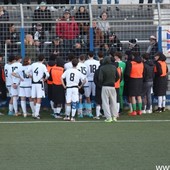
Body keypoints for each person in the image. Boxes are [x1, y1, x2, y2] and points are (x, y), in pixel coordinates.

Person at [25, 54, 49, 119]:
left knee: (34, 98)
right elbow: (47, 75)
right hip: (39, 83)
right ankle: (36, 114)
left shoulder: (33, 64)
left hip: (33, 83)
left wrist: (31, 76)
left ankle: (35, 113)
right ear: (43, 59)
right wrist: (44, 79)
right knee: (39, 98)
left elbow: (26, 72)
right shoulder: (43, 66)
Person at [99, 56, 119, 122]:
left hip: (105, 86)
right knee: (113, 102)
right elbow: (118, 77)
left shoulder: (102, 68)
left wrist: (102, 82)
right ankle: (114, 117)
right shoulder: (114, 67)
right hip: (112, 86)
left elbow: (100, 78)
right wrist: (113, 81)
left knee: (105, 102)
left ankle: (108, 117)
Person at [125, 52, 144, 116]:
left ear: (133, 56)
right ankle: (140, 111)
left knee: (133, 96)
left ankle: (134, 111)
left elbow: (127, 73)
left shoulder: (131, 63)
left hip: (133, 80)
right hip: (140, 79)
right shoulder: (141, 63)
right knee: (139, 96)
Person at [84, 51, 100, 117]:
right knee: (96, 96)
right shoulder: (97, 62)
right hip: (95, 80)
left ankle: (89, 111)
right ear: (93, 55)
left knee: (87, 96)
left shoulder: (86, 62)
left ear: (88, 55)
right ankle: (98, 112)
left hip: (88, 80)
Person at [77, 54, 89, 118]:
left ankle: (80, 113)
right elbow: (87, 74)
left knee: (80, 98)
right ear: (84, 60)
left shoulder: (77, 65)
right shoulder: (85, 65)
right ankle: (89, 112)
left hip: (79, 82)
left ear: (79, 59)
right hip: (85, 82)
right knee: (88, 97)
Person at [93, 51, 104, 119]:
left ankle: (97, 115)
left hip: (98, 87)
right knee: (105, 101)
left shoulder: (97, 71)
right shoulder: (106, 70)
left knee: (98, 101)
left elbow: (95, 80)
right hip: (105, 87)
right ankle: (105, 114)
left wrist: (98, 85)